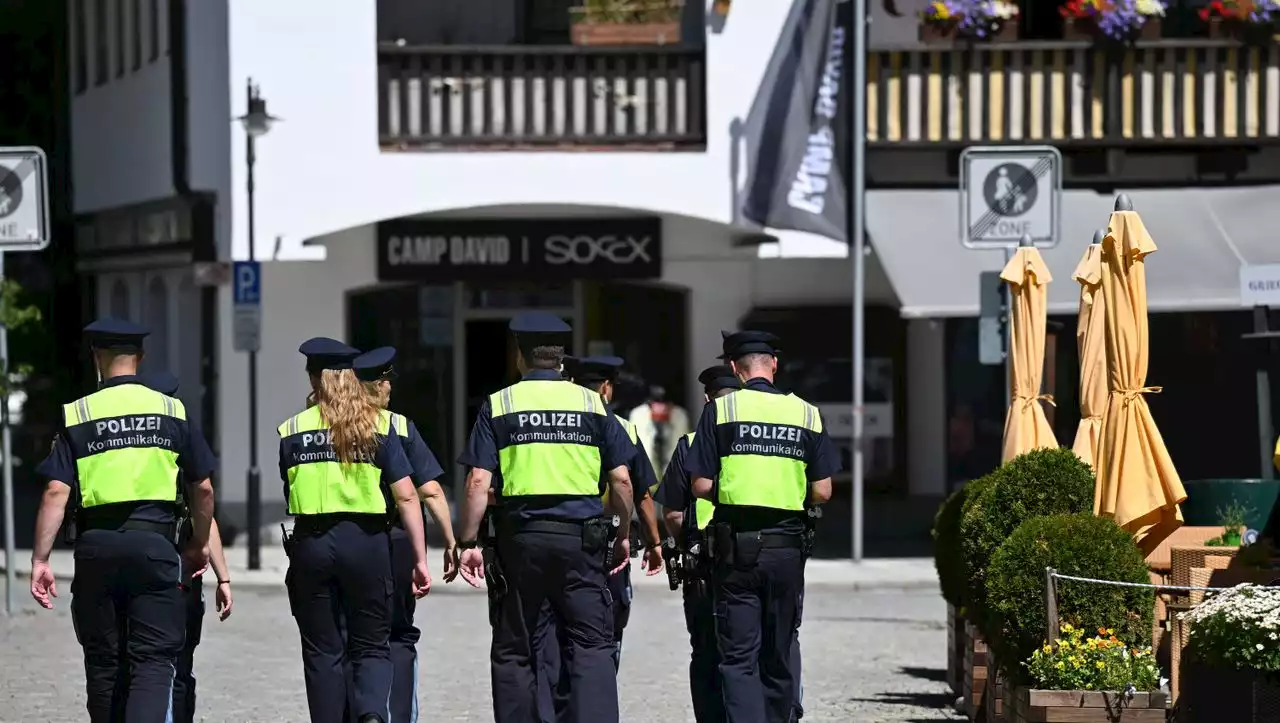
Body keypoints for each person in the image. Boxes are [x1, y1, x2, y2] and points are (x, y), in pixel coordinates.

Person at [29, 318, 217, 723]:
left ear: (97, 358)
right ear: (140, 358)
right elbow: (202, 488)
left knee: (104, 663)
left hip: (97, 549)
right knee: (152, 661)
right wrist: (199, 543)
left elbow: (55, 493)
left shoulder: (78, 413)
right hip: (155, 547)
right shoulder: (172, 410)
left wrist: (40, 560)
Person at [454, 312, 638, 723]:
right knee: (591, 644)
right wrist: (622, 533)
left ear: (520, 354)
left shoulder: (499, 404)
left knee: (516, 646)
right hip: (583, 540)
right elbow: (622, 482)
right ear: (560, 358)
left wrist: (467, 542)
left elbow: (477, 482)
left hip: (522, 540)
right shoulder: (593, 403)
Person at [685, 331, 839, 723]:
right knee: (779, 650)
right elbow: (822, 490)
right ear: (774, 364)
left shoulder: (720, 411)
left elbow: (700, 484)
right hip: (787, 547)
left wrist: (739, 490)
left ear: (735, 369)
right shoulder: (806, 412)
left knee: (738, 658)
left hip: (735, 548)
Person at [278, 337, 431, 723]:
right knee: (372, 643)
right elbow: (408, 497)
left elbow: (287, 486)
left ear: (314, 379)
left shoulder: (292, 429)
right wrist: (419, 558)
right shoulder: (377, 426)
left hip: (311, 542)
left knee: (322, 650)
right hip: (367, 543)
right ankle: (371, 714)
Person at [535, 355, 664, 721]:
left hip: (554, 536)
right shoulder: (621, 427)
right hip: (607, 544)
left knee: (553, 630)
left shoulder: (553, 425)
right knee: (602, 634)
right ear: (607, 388)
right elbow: (639, 492)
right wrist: (653, 543)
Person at [353, 345, 458, 722]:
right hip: (393, 540)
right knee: (398, 633)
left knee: (356, 636)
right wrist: (450, 539)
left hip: (348, 541)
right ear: (380, 385)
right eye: (387, 381)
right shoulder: (397, 426)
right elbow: (428, 489)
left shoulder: (330, 423)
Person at [139, 371, 234, 723]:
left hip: (143, 565)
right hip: (180, 571)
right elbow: (204, 517)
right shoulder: (183, 448)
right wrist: (223, 578)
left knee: (143, 663)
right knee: (178, 665)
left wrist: (223, 576)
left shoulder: (136, 456)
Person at [655, 364, 741, 723]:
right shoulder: (754, 440)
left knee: (706, 650)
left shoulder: (690, 443)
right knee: (749, 649)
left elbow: (673, 512)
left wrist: (682, 544)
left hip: (702, 558)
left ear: (707, 400)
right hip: (750, 552)